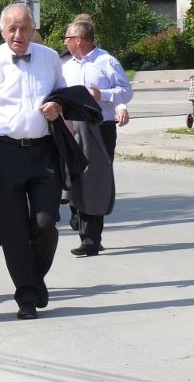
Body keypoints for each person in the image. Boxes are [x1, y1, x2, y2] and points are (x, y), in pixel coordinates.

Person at [0, 3, 66, 320]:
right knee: (12, 229)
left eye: (24, 27)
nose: (18, 34)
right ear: (2, 31)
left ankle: (34, 278)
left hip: (44, 151)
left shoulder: (49, 57)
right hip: (4, 152)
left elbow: (64, 95)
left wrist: (57, 107)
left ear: (33, 28)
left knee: (46, 224)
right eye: (11, 29)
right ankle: (26, 296)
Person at [62, 20, 133, 256]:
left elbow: (125, 91)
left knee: (94, 180)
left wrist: (101, 94)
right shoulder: (65, 65)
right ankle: (78, 215)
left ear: (79, 39)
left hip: (99, 127)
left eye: (68, 37)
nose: (65, 41)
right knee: (74, 177)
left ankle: (91, 239)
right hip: (71, 127)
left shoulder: (106, 61)